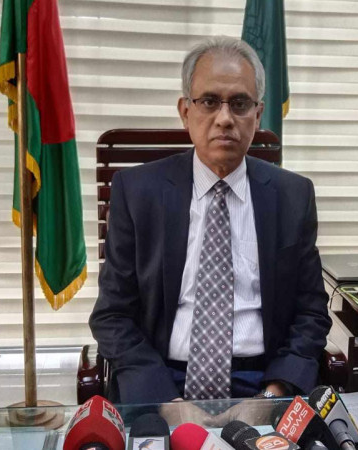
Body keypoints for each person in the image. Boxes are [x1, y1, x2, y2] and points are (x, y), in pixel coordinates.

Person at [89, 36, 331, 404]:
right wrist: (164, 401)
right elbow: (112, 315)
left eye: (240, 104)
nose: (225, 118)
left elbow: (310, 312)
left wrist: (274, 393)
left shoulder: (293, 196)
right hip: (160, 379)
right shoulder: (136, 192)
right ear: (185, 111)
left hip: (262, 381)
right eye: (209, 101)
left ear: (257, 115)